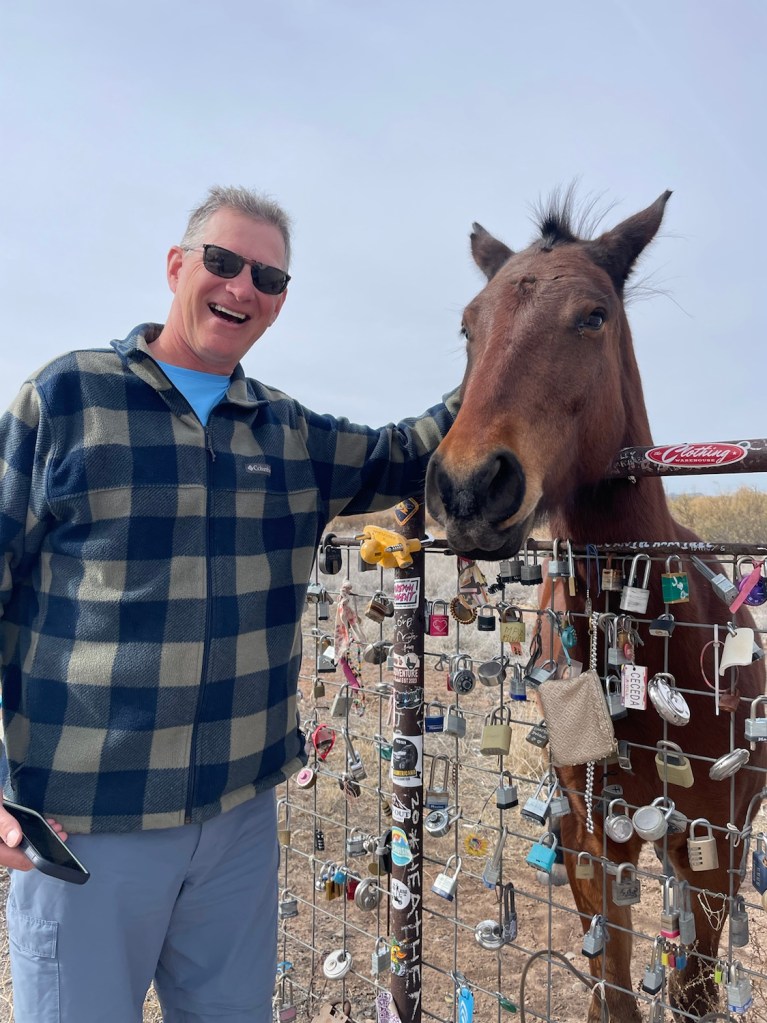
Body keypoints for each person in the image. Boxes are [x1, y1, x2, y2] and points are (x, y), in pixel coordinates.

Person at [0, 186, 459, 1023]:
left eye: (268, 277)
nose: (243, 286)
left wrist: (515, 356)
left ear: (280, 302)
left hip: (240, 821)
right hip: (84, 820)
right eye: (222, 261)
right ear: (177, 266)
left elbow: (407, 452)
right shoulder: (69, 397)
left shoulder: (287, 432)